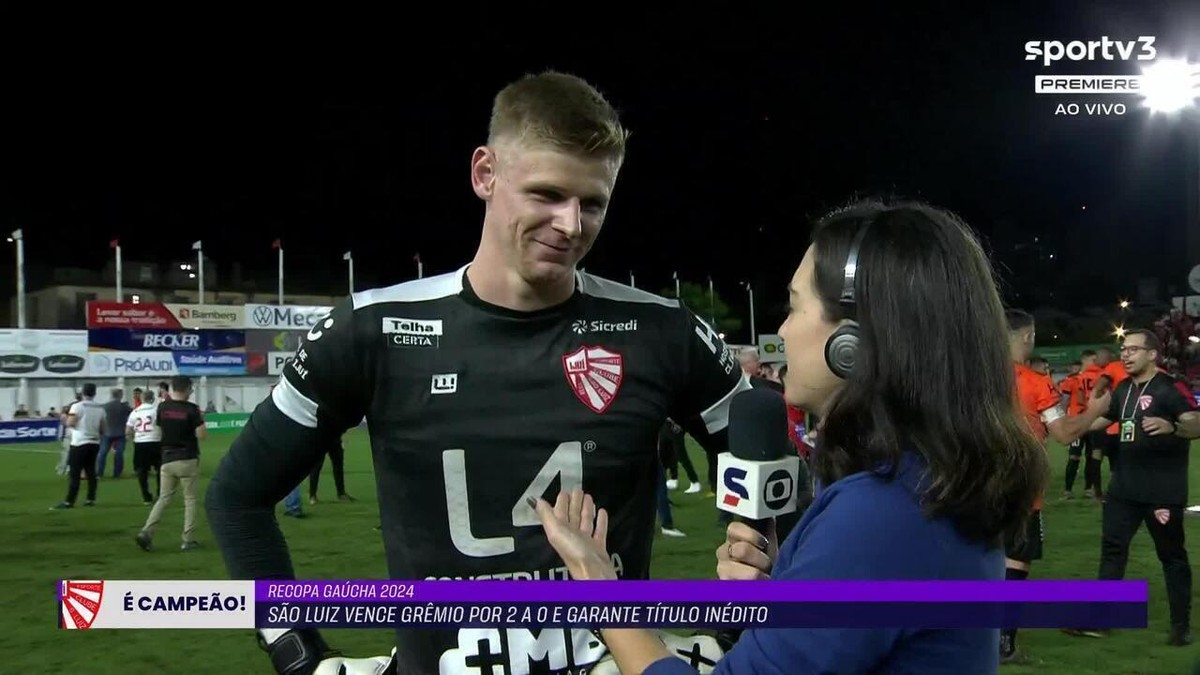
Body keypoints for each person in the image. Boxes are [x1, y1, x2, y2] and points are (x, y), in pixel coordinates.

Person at [205, 70, 749, 674]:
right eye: (546, 194)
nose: (571, 225)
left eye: (592, 202)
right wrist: (296, 652)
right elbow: (237, 497)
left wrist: (742, 617)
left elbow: (776, 479)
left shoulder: (665, 332)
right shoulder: (370, 330)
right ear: (485, 173)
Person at [535, 199, 1050, 674]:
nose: (781, 331)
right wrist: (794, 582)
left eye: (795, 306)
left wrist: (597, 584)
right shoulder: (920, 483)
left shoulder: (881, 513)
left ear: (855, 340)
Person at [1064, 328, 1200, 646]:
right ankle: (1101, 621)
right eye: (1123, 349)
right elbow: (1102, 420)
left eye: (1133, 349)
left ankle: (1181, 627)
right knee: (1112, 553)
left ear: (1152, 354)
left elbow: (1196, 421)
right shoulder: (1124, 389)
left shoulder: (1170, 386)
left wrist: (1174, 426)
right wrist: (1070, 428)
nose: (1125, 354)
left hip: (1162, 492)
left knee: (1172, 557)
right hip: (1123, 490)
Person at [1002, 310, 1110, 662]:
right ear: (1027, 337)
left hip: (971, 483)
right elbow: (1063, 433)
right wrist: (1094, 411)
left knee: (976, 558)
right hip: (1019, 486)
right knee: (1016, 559)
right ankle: (1005, 643)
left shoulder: (967, 377)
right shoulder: (1035, 382)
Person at [135, 376, 206, 552]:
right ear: (189, 390)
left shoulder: (163, 407)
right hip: (187, 457)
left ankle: (147, 531)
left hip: (167, 458)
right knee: (189, 500)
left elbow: (159, 430)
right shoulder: (192, 409)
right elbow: (201, 435)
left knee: (163, 498)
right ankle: (187, 539)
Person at [51, 384, 105, 510]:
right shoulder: (100, 408)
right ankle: (90, 499)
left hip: (79, 442)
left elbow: (71, 423)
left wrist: (64, 418)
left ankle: (70, 501)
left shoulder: (77, 406)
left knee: (75, 473)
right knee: (91, 471)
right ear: (94, 393)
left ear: (82, 393)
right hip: (94, 442)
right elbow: (103, 428)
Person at [126, 389, 163, 505]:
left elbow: (128, 430)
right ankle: (160, 493)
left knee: (142, 471)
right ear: (152, 399)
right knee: (160, 470)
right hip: (155, 441)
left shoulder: (135, 412)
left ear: (141, 399)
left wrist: (134, 438)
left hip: (140, 443)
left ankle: (146, 496)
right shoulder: (157, 410)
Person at [308, 437, 353, 504]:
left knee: (338, 465)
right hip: (320, 439)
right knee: (316, 467)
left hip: (334, 438)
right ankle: (312, 495)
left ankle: (341, 493)